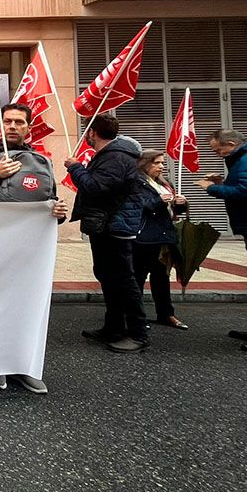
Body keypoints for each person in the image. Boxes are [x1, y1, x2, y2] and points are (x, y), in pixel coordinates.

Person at [0, 103, 69, 393]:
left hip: (30, 250)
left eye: (19, 122)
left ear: (28, 127)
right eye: (8, 121)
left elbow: (49, 199)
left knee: (27, 306)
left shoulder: (41, 160)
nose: (12, 126)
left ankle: (25, 364)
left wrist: (57, 213)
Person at [66, 114, 148, 353]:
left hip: (115, 225)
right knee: (108, 276)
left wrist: (76, 168)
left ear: (92, 132)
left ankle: (137, 333)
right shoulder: (114, 155)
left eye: (86, 132)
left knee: (123, 279)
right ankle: (113, 327)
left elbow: (97, 187)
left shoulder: (115, 157)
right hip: (107, 224)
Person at [198, 129, 247, 354]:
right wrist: (224, 181)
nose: (218, 154)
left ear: (231, 143)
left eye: (218, 150)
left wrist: (213, 188)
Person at [133, 149, 189, 331]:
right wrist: (158, 201)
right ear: (145, 164)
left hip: (164, 237)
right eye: (156, 163)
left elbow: (172, 212)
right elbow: (137, 206)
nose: (161, 167)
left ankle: (166, 313)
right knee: (138, 278)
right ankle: (135, 316)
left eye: (162, 163)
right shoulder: (136, 182)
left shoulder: (165, 183)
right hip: (144, 237)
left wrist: (181, 204)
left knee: (162, 278)